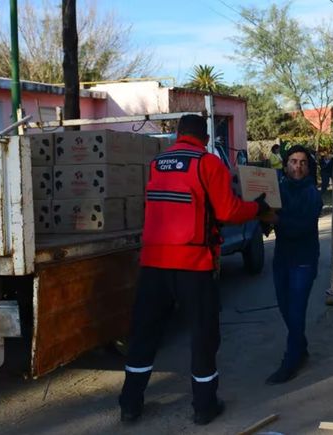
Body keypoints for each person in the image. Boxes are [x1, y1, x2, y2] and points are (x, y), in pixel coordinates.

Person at [118, 114, 273, 426]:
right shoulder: (208, 163)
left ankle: (130, 404)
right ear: (204, 137)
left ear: (177, 133)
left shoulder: (157, 162)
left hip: (153, 264)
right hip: (193, 265)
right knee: (203, 336)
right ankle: (204, 406)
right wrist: (258, 208)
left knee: (144, 335)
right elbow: (229, 211)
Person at [264, 145, 323, 385]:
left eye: (302, 162)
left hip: (304, 261)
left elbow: (302, 226)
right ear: (286, 165)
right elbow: (267, 225)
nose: (297, 166)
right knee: (285, 307)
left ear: (308, 167)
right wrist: (260, 215)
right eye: (293, 161)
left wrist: (276, 218)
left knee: (296, 310)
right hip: (282, 258)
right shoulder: (277, 190)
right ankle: (301, 346)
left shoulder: (313, 194)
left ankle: (291, 361)